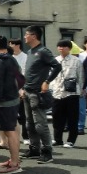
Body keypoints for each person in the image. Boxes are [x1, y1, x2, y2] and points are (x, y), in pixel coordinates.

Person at [21, 26, 62, 164]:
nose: (25, 37)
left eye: (26, 34)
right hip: (27, 90)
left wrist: (47, 81)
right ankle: (34, 149)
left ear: (34, 36)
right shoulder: (31, 51)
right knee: (29, 123)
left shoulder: (43, 51)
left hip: (37, 92)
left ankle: (47, 151)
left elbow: (57, 66)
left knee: (40, 123)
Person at [0, 35, 23, 174]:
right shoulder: (12, 59)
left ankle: (15, 163)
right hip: (14, 97)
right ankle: (14, 159)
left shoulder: (0, 62)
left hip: (6, 100)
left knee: (10, 132)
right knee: (13, 130)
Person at [50, 40, 83, 148]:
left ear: (69, 48)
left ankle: (71, 140)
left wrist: (81, 90)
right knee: (57, 117)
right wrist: (52, 87)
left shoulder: (76, 61)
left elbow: (81, 76)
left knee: (72, 117)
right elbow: (51, 75)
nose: (61, 48)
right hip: (57, 92)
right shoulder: (55, 60)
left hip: (72, 92)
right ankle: (57, 139)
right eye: (59, 46)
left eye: (63, 47)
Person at [9, 38, 29, 143]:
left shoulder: (25, 57)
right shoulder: (10, 58)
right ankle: (14, 137)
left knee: (23, 114)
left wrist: (22, 89)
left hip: (21, 89)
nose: (10, 46)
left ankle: (26, 137)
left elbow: (25, 75)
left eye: (11, 44)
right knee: (12, 115)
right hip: (11, 90)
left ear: (17, 45)